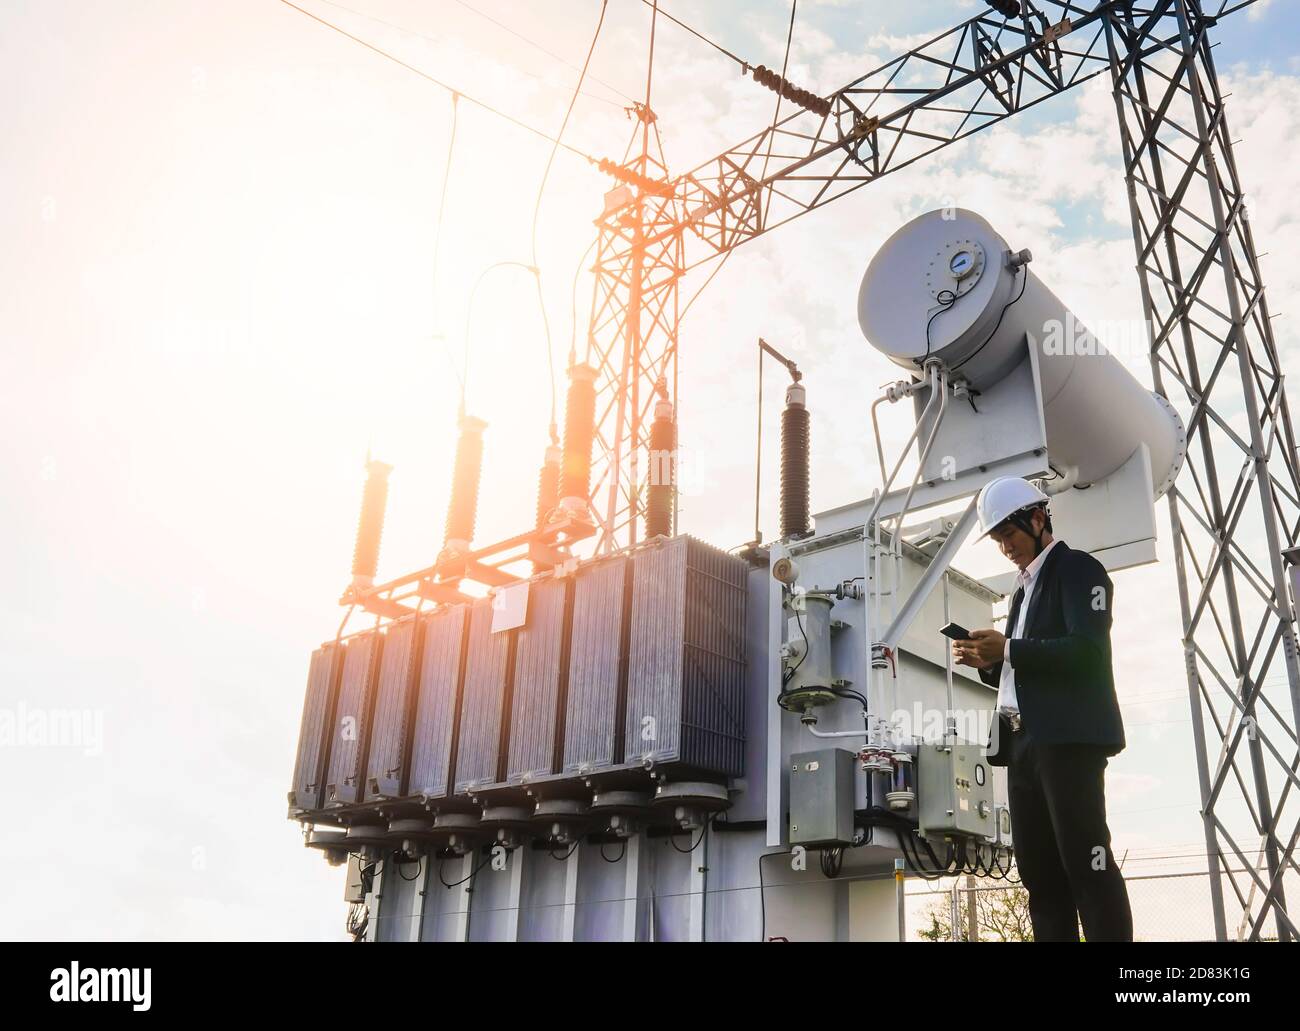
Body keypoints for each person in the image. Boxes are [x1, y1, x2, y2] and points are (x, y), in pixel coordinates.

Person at [953, 476, 1134, 942]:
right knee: (1039, 878)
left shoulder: (1080, 570)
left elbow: (1087, 653)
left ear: (1037, 519)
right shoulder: (1021, 592)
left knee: (1087, 865)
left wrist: (1009, 648)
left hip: (1067, 741)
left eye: (1009, 536)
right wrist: (988, 661)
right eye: (998, 541)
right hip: (1020, 744)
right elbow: (1026, 667)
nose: (1005, 548)